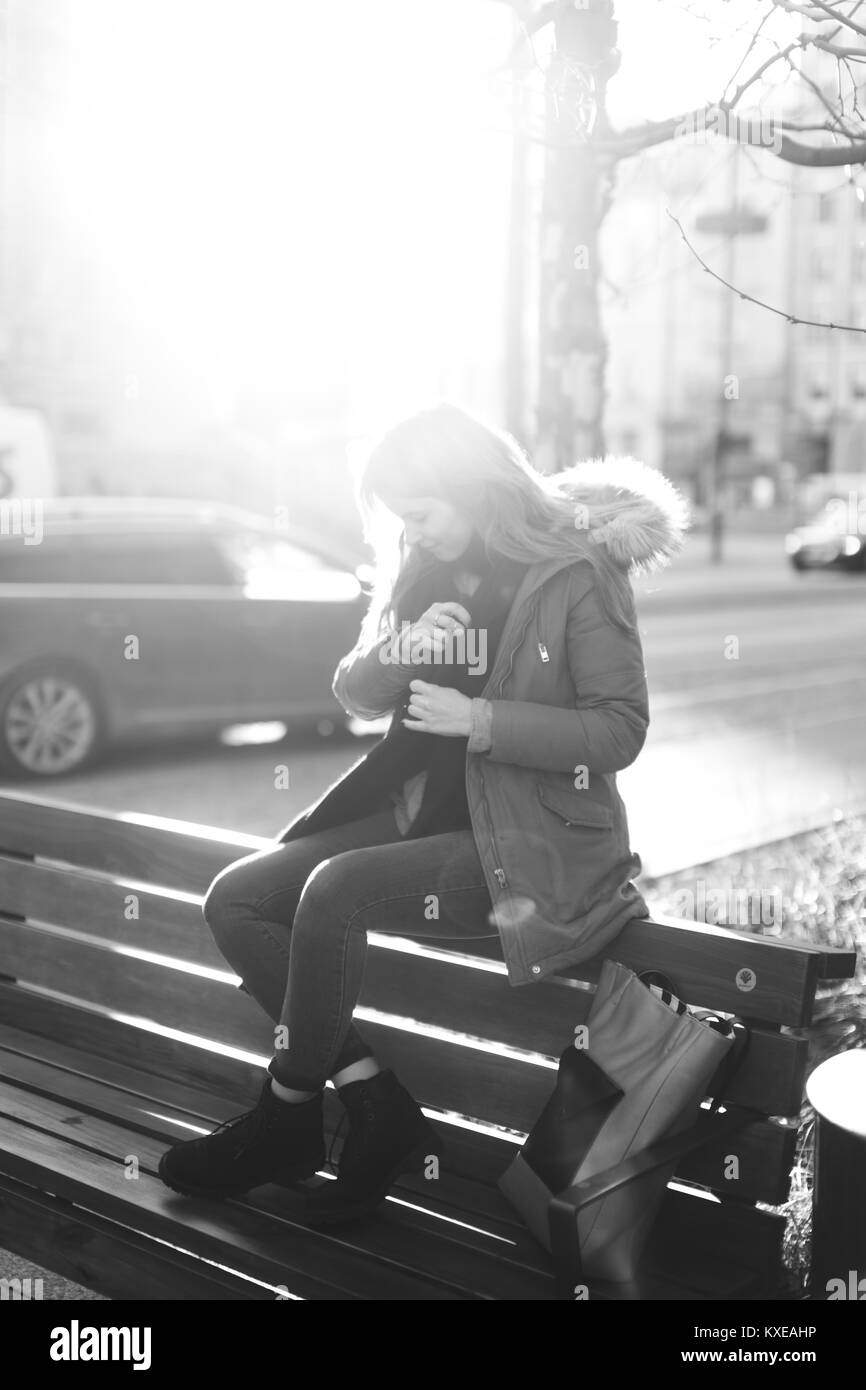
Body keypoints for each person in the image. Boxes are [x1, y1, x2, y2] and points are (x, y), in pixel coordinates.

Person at [157, 402, 689, 1225]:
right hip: (412, 814)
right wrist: (397, 653)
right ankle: (372, 1101)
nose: (412, 531)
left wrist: (481, 723)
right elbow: (354, 691)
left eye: (421, 512)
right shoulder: (425, 563)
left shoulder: (576, 569)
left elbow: (620, 728)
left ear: (472, 487)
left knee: (333, 891)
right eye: (401, 519)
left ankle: (286, 1115)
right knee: (236, 897)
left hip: (522, 843)